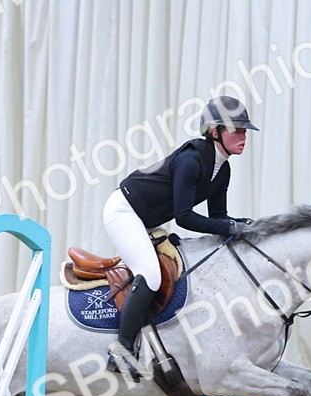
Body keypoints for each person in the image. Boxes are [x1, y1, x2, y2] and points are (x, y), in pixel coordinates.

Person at [102, 95, 258, 377]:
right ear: (215, 131)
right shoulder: (192, 159)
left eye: (245, 130)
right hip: (123, 211)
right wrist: (229, 228)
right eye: (237, 130)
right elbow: (184, 217)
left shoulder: (223, 169)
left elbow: (218, 218)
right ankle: (121, 350)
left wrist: (240, 223)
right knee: (150, 274)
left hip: (145, 219)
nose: (244, 136)